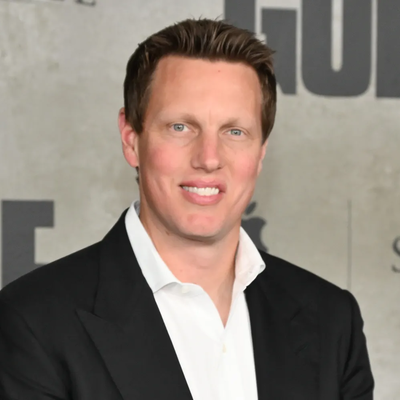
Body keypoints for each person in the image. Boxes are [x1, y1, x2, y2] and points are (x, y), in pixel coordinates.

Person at [0, 18, 374, 400]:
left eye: (234, 132)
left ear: (261, 153)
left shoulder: (331, 321)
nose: (209, 158)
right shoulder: (34, 321)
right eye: (181, 127)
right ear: (131, 140)